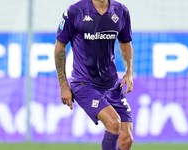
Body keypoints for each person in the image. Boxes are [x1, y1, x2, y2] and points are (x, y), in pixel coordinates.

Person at [54, 0, 134, 149]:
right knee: (113, 122)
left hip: (111, 84)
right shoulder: (74, 11)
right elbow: (60, 46)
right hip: (84, 84)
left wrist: (129, 72)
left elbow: (125, 42)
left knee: (126, 139)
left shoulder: (121, 11)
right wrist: (63, 85)